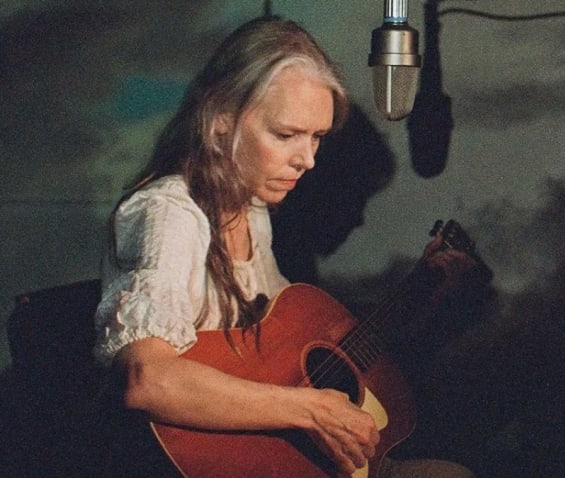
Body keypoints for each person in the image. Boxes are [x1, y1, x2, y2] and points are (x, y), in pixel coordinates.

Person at [93, 16, 474, 478]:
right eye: (286, 134)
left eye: (316, 137)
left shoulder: (252, 207)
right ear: (219, 126)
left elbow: (288, 343)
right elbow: (146, 379)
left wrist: (419, 291)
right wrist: (311, 410)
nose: (308, 160)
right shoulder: (169, 214)